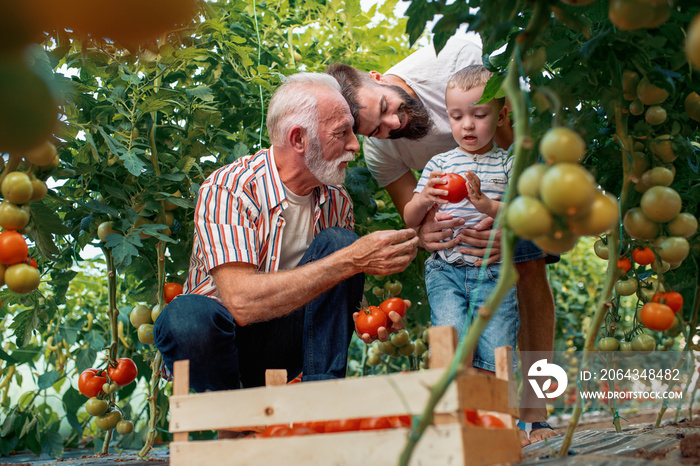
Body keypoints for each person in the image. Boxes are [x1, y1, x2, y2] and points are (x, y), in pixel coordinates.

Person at [326, 34, 557, 446]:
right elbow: (413, 216)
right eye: (374, 128)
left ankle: (537, 413)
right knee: (458, 329)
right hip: (458, 252)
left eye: (386, 108)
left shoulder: (460, 58)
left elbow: (522, 157)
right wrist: (425, 231)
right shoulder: (381, 150)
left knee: (529, 268)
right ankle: (473, 418)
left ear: (379, 78)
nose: (391, 125)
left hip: (508, 186)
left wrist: (510, 221)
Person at [154, 73, 419, 402]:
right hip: (224, 350)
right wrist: (352, 259)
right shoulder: (231, 188)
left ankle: (319, 405)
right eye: (342, 133)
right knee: (185, 317)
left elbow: (331, 284)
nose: (355, 144)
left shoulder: (337, 200)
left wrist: (369, 314)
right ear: (299, 140)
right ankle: (232, 418)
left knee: (340, 242)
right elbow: (240, 302)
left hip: (288, 342)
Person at [403, 64, 518, 375]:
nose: (467, 125)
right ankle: (456, 416)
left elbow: (519, 217)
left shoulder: (509, 165)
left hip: (494, 273)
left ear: (502, 117)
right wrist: (424, 197)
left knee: (497, 354)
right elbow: (410, 217)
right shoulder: (439, 165)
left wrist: (486, 205)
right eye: (457, 116)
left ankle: (500, 421)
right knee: (450, 350)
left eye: (479, 115)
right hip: (445, 270)